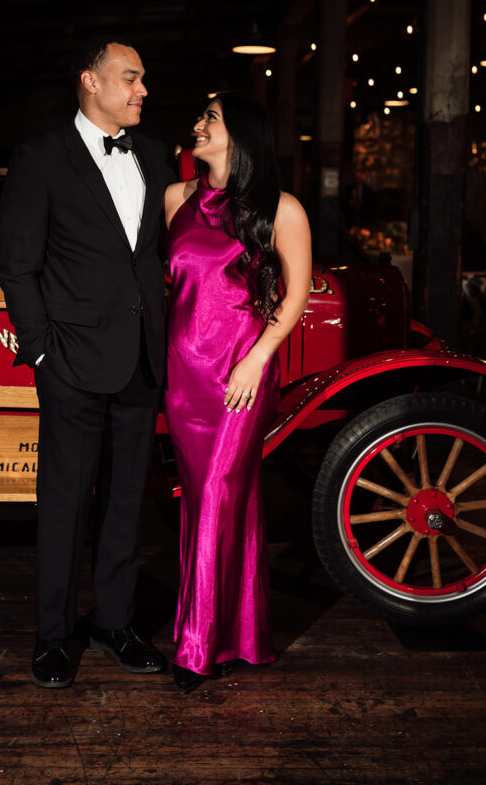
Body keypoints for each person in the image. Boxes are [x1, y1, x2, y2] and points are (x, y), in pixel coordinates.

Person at [0, 38, 173, 688]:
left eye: (144, 79)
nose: (142, 90)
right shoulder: (39, 160)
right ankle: (51, 636)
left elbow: (151, 257)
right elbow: (17, 267)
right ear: (90, 82)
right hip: (69, 359)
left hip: (139, 358)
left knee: (126, 503)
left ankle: (115, 624)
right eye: (131, 78)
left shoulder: (153, 155)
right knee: (65, 503)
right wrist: (42, 350)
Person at [163, 92, 312, 695]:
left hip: (239, 373)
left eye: (211, 118)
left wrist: (255, 361)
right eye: (199, 115)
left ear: (241, 135)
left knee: (221, 491)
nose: (197, 124)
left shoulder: (282, 209)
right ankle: (241, 636)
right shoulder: (176, 199)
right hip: (183, 374)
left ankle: (197, 646)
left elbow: (296, 296)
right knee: (215, 499)